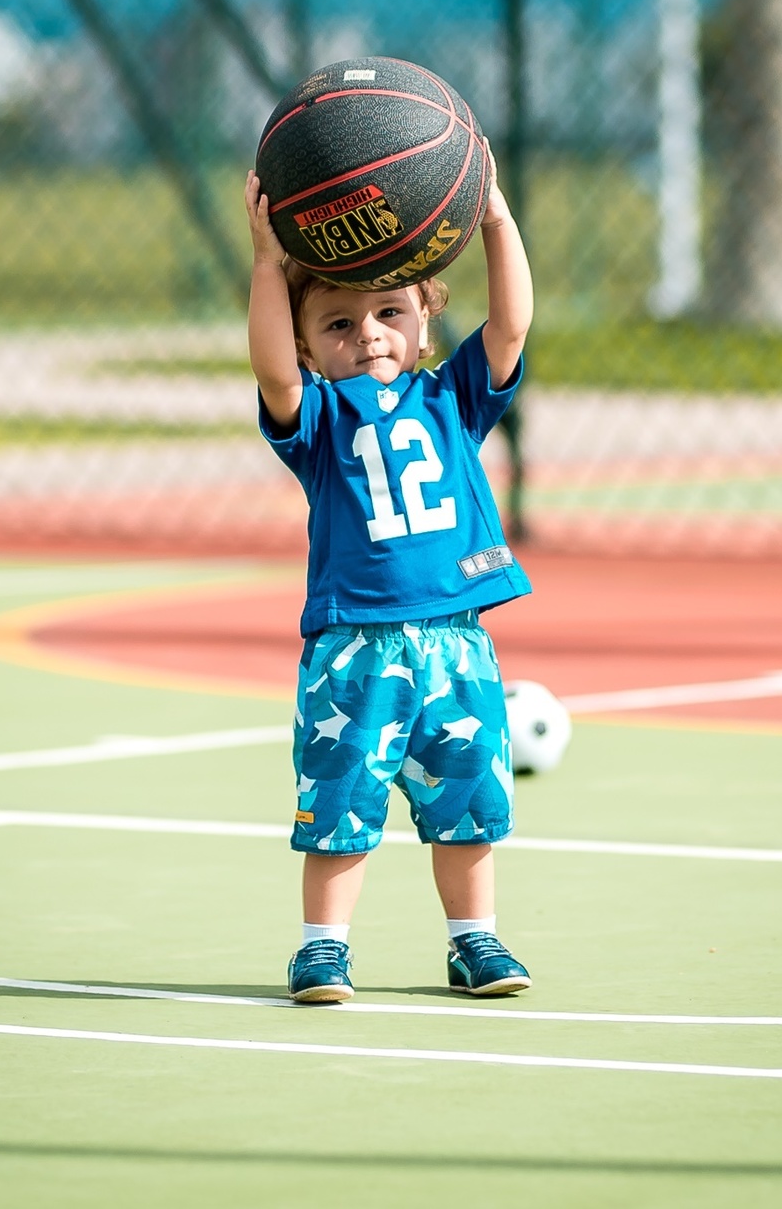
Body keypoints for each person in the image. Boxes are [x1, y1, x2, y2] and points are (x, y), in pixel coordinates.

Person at [244, 150, 535, 1004]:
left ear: (424, 320)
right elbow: (268, 370)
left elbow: (512, 326)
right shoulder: (318, 417)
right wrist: (268, 264)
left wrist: (495, 220)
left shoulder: (453, 398)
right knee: (339, 806)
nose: (368, 332)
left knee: (472, 802)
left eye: (389, 313)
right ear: (308, 343)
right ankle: (322, 948)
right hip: (353, 649)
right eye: (338, 324)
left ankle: (472, 941)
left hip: (457, 640)